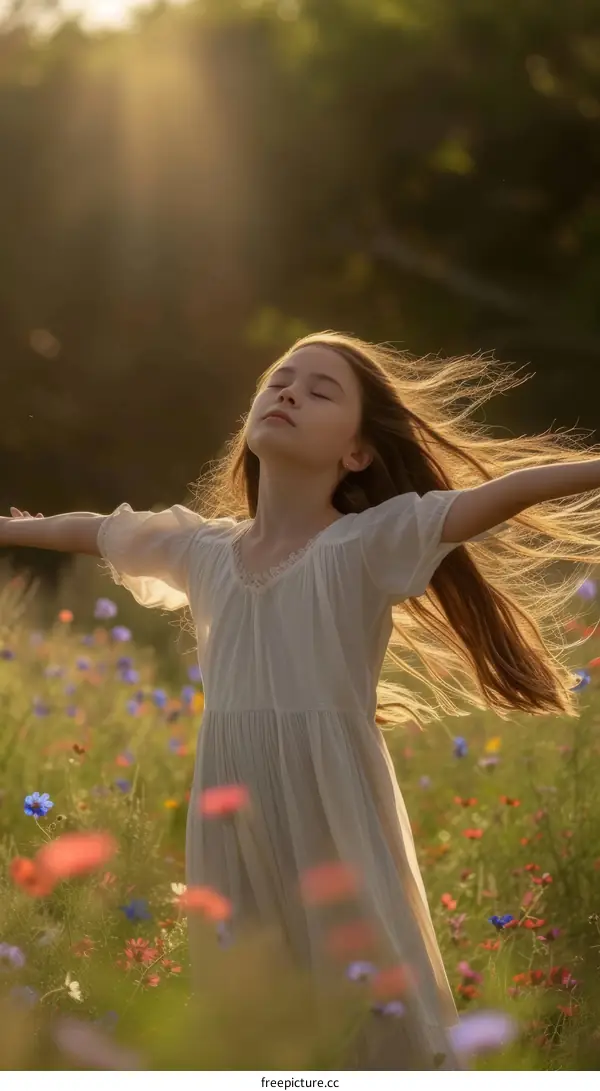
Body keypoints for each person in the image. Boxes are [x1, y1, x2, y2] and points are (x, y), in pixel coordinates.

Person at [3, 330, 600, 1069]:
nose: (288, 392)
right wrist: (10, 530)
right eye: (280, 380)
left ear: (357, 452)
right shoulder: (203, 549)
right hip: (230, 802)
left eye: (320, 390)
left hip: (331, 798)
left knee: (370, 983)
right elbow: (97, 531)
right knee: (254, 993)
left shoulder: (367, 543)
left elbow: (493, 496)